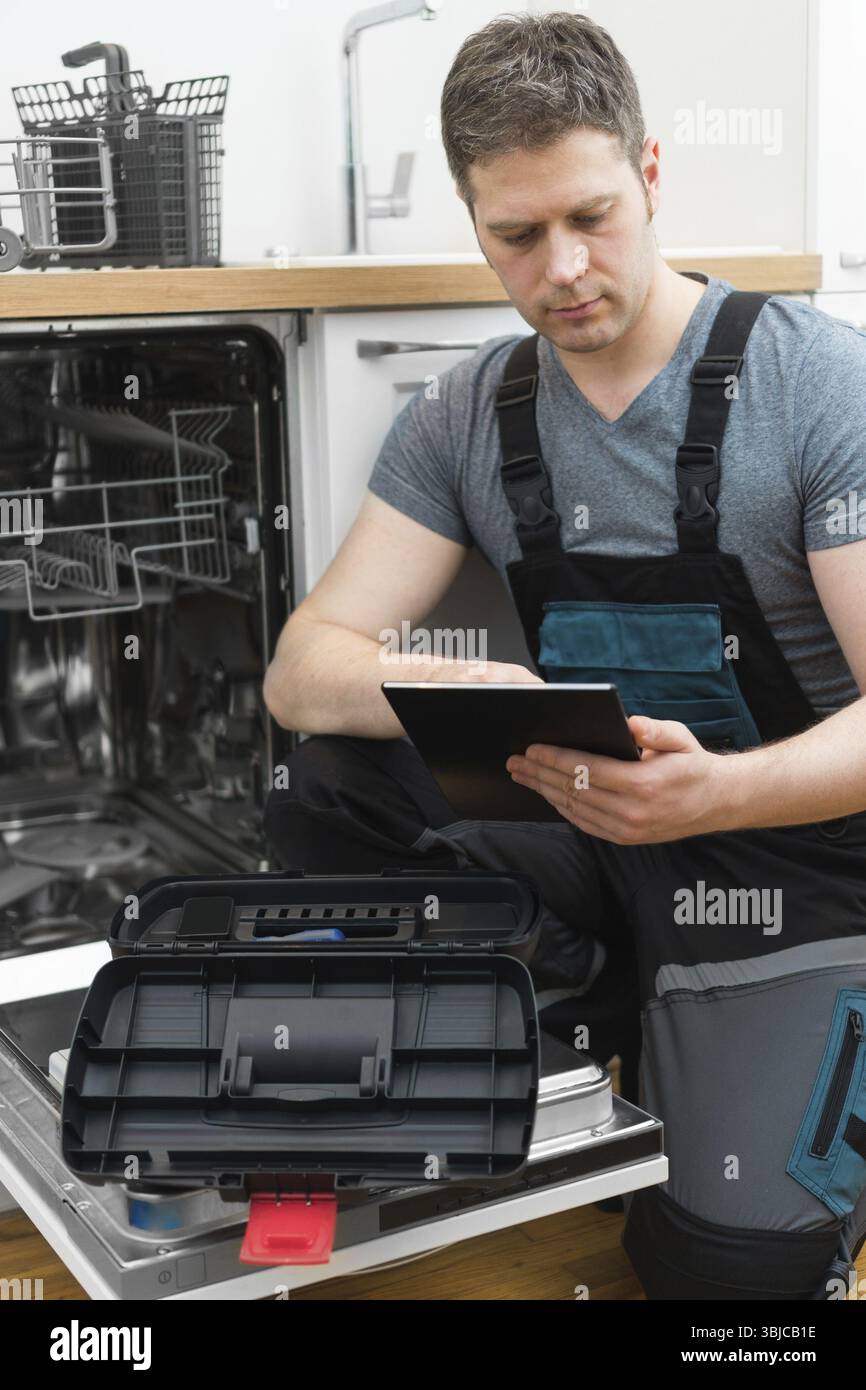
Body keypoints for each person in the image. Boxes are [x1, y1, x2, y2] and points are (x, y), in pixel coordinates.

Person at [263, 11, 866, 1300]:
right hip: (592, 830)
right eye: (518, 236)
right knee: (329, 780)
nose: (566, 267)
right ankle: (591, 1015)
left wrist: (717, 791)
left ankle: (736, 1026)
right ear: (476, 224)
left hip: (789, 856)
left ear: (650, 175)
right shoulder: (472, 413)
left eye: (593, 215)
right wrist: (469, 686)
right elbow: (302, 665)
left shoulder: (817, 387)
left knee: (730, 1278)